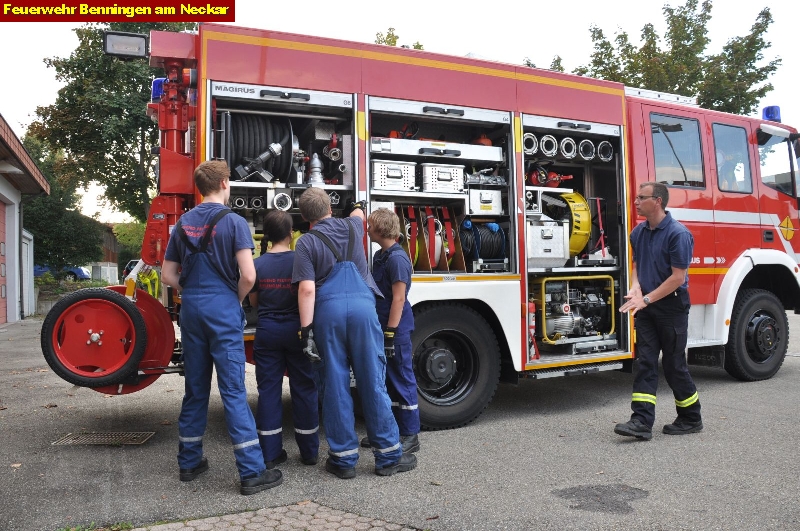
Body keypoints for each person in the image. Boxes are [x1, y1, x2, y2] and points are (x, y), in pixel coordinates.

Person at [161, 160, 283, 495]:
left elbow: (167, 276)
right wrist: (235, 299)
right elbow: (248, 276)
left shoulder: (183, 222)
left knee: (196, 389)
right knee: (232, 391)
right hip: (222, 307)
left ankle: (189, 462)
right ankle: (251, 471)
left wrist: (191, 293)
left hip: (192, 310)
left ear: (201, 187)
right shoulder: (234, 222)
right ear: (225, 183)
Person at [292, 187, 417, 479]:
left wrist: (306, 331)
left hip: (328, 314)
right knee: (373, 381)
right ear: (329, 208)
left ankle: (344, 460)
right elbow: (359, 213)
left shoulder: (306, 243)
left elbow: (307, 289)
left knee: (334, 385)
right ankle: (387, 457)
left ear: (306, 217)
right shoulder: (352, 225)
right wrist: (357, 205)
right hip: (364, 309)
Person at [615, 182, 702, 441]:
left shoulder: (678, 234)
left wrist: (648, 298)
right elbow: (636, 263)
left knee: (674, 365)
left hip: (671, 307)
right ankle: (641, 421)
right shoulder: (638, 232)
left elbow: (677, 278)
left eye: (641, 198)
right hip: (648, 307)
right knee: (645, 363)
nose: (636, 202)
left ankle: (691, 417)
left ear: (658, 201)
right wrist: (635, 287)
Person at [248, 210, 319, 469]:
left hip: (267, 333)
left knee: (268, 391)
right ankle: (309, 452)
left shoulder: (257, 264)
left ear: (266, 235)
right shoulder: (300, 261)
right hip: (296, 332)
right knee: (304, 388)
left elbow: (254, 301)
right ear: (291, 235)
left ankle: (270, 453)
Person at [361, 208, 420, 454]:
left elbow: (398, 299)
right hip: (383, 326)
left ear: (381, 229)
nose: (367, 229)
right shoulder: (380, 255)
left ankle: (410, 435)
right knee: (388, 381)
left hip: (395, 330)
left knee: (403, 380)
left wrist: (390, 334)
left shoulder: (397, 259)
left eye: (371, 225)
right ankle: (389, 432)